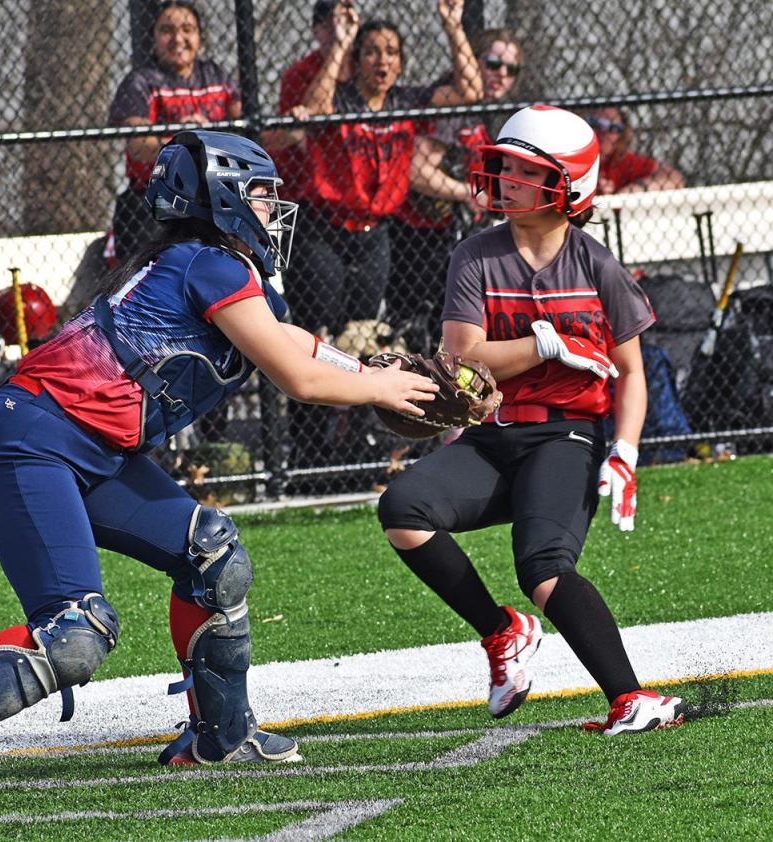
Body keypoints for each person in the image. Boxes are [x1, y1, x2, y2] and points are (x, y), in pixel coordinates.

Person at [0, 129, 438, 802]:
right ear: (223, 199)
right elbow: (297, 375)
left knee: (212, 552)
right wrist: (381, 388)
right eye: (262, 195)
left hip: (82, 446)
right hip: (29, 443)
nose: (274, 209)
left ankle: (223, 734)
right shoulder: (210, 263)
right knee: (76, 633)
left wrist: (371, 371)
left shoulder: (214, 268)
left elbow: (298, 344)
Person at [378, 105, 689, 735]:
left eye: (525, 169)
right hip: (494, 431)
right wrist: (542, 346)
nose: (505, 176)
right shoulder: (475, 255)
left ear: (568, 188)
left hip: (568, 433)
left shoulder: (597, 263)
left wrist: (625, 450)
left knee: (543, 564)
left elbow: (630, 372)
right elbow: (460, 356)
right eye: (505, 164)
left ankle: (633, 699)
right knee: (403, 508)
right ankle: (502, 632)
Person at [284, 1, 482, 473]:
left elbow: (471, 91)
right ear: (358, 59)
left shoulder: (405, 101)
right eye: (372, 52)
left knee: (364, 340)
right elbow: (311, 111)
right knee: (320, 340)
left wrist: (452, 26)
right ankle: (309, 456)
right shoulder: (341, 97)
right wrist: (343, 42)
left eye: (391, 52)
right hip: (325, 230)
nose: (382, 61)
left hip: (376, 235)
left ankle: (356, 451)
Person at [389, 27, 524, 353]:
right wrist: (467, 192)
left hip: (455, 234)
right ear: (471, 61)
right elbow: (417, 172)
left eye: (511, 69)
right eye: (493, 64)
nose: (501, 75)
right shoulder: (455, 102)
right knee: (428, 332)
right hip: (421, 238)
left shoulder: (486, 112)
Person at [108, 0, 241, 267]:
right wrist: (184, 139)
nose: (178, 38)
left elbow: (247, 131)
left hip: (213, 193)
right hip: (157, 197)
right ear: (154, 37)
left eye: (187, 29)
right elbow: (139, 146)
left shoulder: (217, 76)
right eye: (167, 30)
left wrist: (212, 134)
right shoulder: (141, 81)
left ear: (199, 37)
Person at [270, 0, 360, 204]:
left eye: (345, 24)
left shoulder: (362, 66)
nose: (339, 30)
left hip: (357, 178)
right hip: (311, 188)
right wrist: (339, 45)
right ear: (317, 31)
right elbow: (316, 111)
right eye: (330, 26)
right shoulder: (299, 73)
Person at [588, 106, 684, 194]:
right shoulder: (576, 154)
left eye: (613, 128)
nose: (604, 132)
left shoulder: (619, 159)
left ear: (621, 135)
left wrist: (633, 189)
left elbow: (673, 177)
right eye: (597, 124)